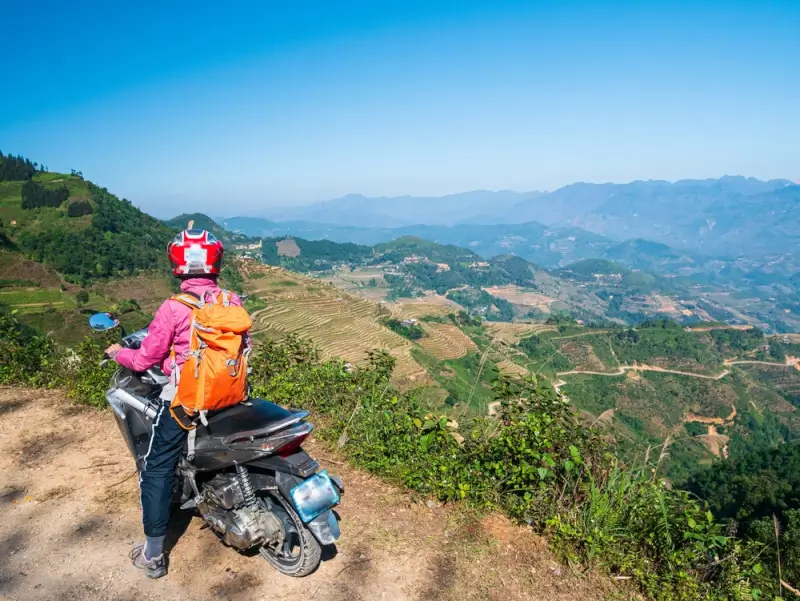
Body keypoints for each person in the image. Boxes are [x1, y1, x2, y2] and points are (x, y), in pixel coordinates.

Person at [105, 229, 247, 579]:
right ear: (215, 262)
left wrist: (117, 353)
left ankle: (153, 555)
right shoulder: (231, 302)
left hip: (187, 402)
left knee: (155, 467)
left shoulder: (174, 308)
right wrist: (176, 363)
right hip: (230, 394)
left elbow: (142, 362)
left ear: (178, 265)